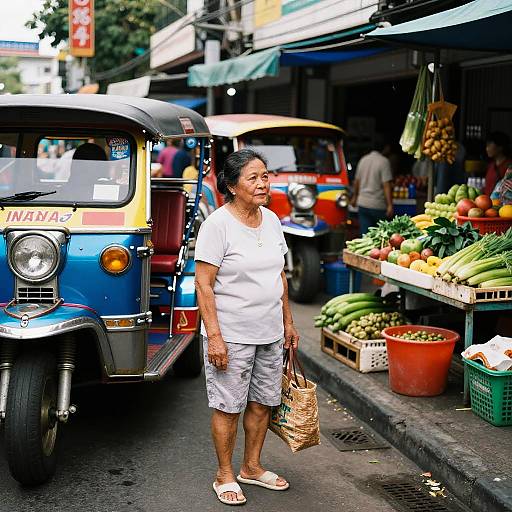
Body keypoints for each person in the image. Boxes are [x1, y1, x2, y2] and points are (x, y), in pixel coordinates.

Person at [194, 149, 299, 506]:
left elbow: (279, 274)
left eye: (265, 176)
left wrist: (288, 322)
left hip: (269, 332)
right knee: (228, 406)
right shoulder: (217, 226)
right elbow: (204, 285)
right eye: (253, 177)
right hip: (232, 335)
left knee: (262, 403)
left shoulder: (271, 220)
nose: (262, 183)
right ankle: (224, 474)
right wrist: (216, 338)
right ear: (231, 185)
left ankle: (251, 467)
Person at [351, 137, 394, 235]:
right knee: (380, 236)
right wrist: (390, 205)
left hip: (362, 203)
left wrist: (354, 197)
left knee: (365, 235)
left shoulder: (363, 160)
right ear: (386, 148)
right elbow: (386, 185)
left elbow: (357, 181)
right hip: (377, 205)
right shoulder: (384, 161)